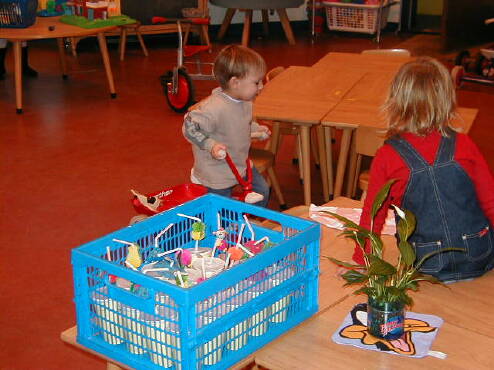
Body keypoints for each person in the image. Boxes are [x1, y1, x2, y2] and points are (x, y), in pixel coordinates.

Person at [354, 56, 494, 282]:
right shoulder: (464, 144)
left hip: (426, 265)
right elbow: (490, 201)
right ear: (448, 100)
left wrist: (363, 260)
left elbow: (373, 214)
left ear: (396, 101)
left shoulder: (387, 156)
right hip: (479, 254)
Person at [182, 44, 271, 207]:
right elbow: (189, 127)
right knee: (222, 210)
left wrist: (256, 129)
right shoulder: (214, 108)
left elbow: (240, 123)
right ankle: (224, 229)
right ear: (235, 82)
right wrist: (211, 145)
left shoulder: (245, 102)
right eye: (256, 82)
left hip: (240, 164)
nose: (261, 87)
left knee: (262, 191)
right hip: (216, 172)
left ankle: (248, 224)